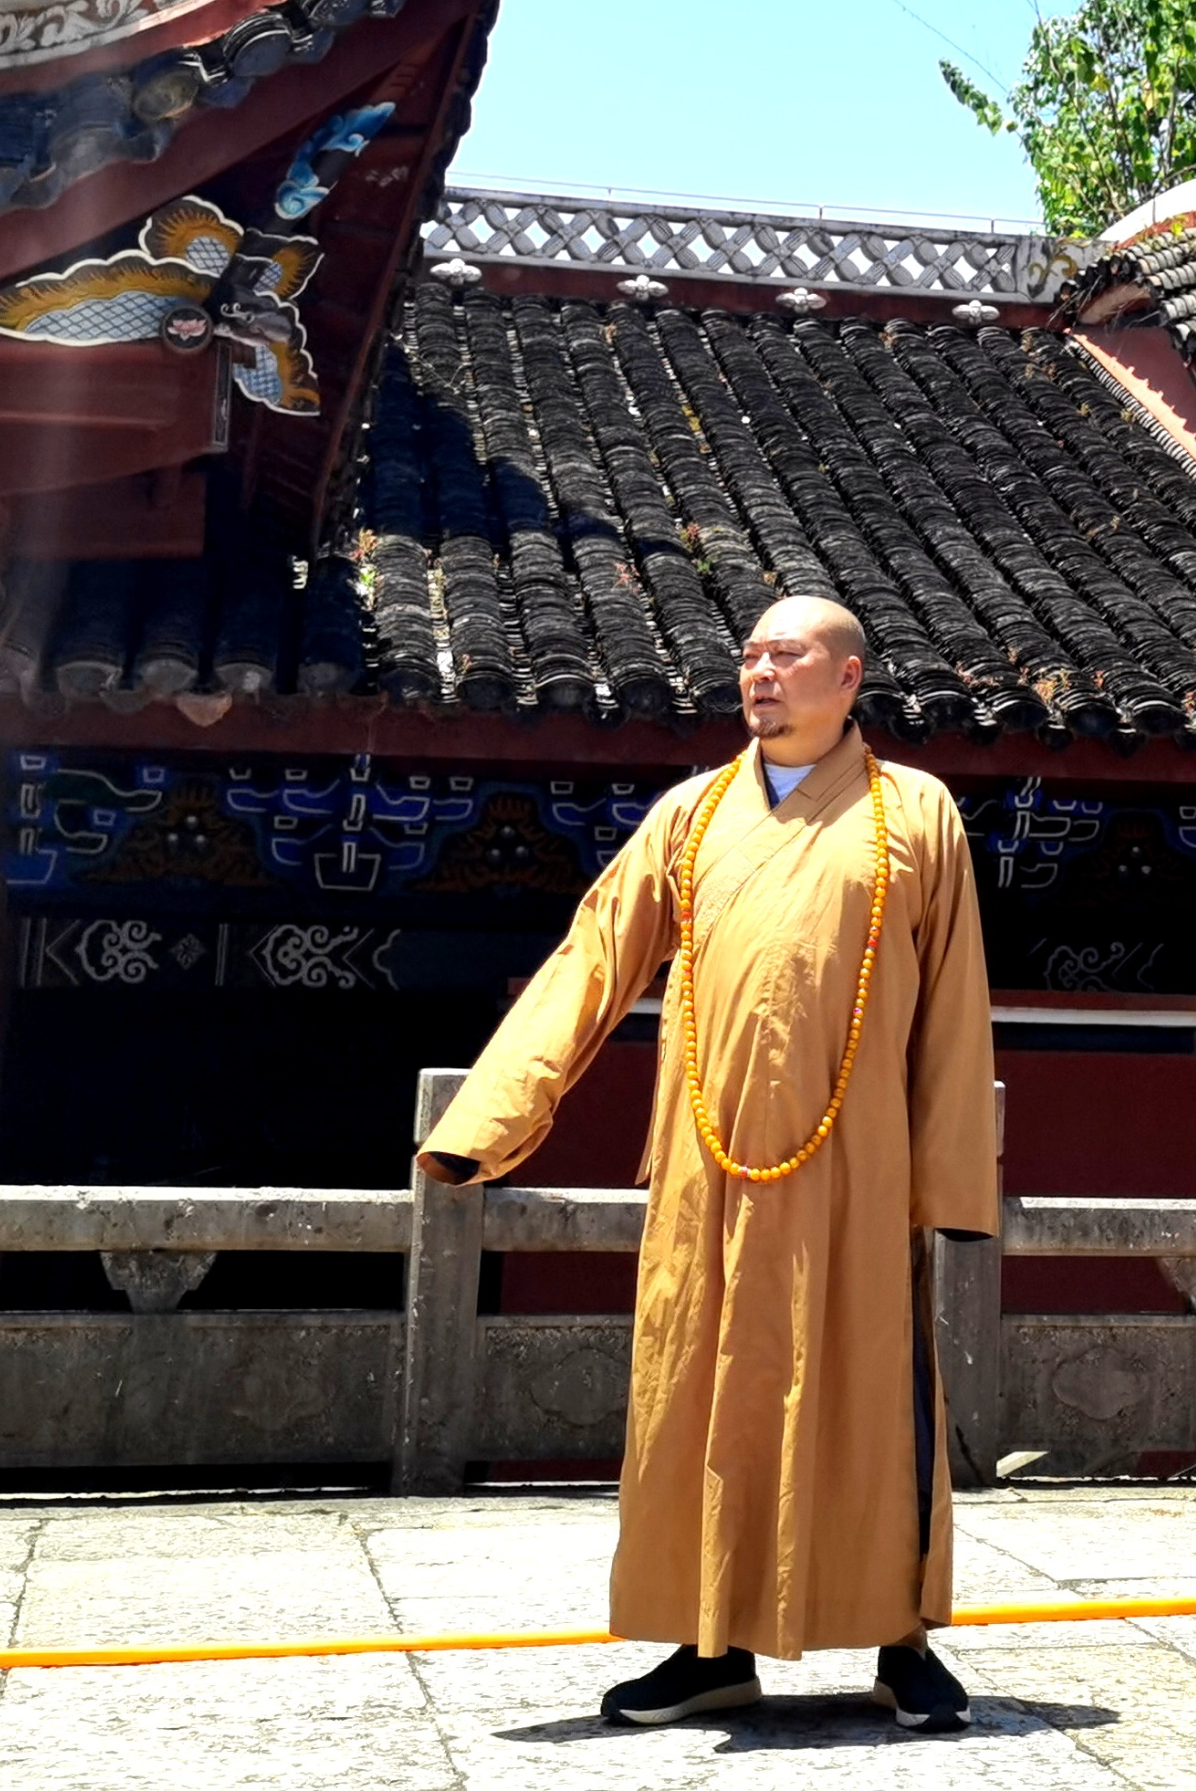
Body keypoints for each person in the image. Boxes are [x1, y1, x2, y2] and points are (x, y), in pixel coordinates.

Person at [417, 596, 998, 1731]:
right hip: (708, 1165)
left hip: (857, 1170)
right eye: (749, 655)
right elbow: (596, 953)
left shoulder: (913, 812)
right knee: (703, 1394)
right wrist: (490, 1113)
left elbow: (953, 1009)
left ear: (848, 674)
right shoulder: (691, 813)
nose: (760, 672)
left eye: (786, 654)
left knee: (869, 1397)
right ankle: (707, 1644)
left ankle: (899, 1638)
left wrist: (947, 1181)